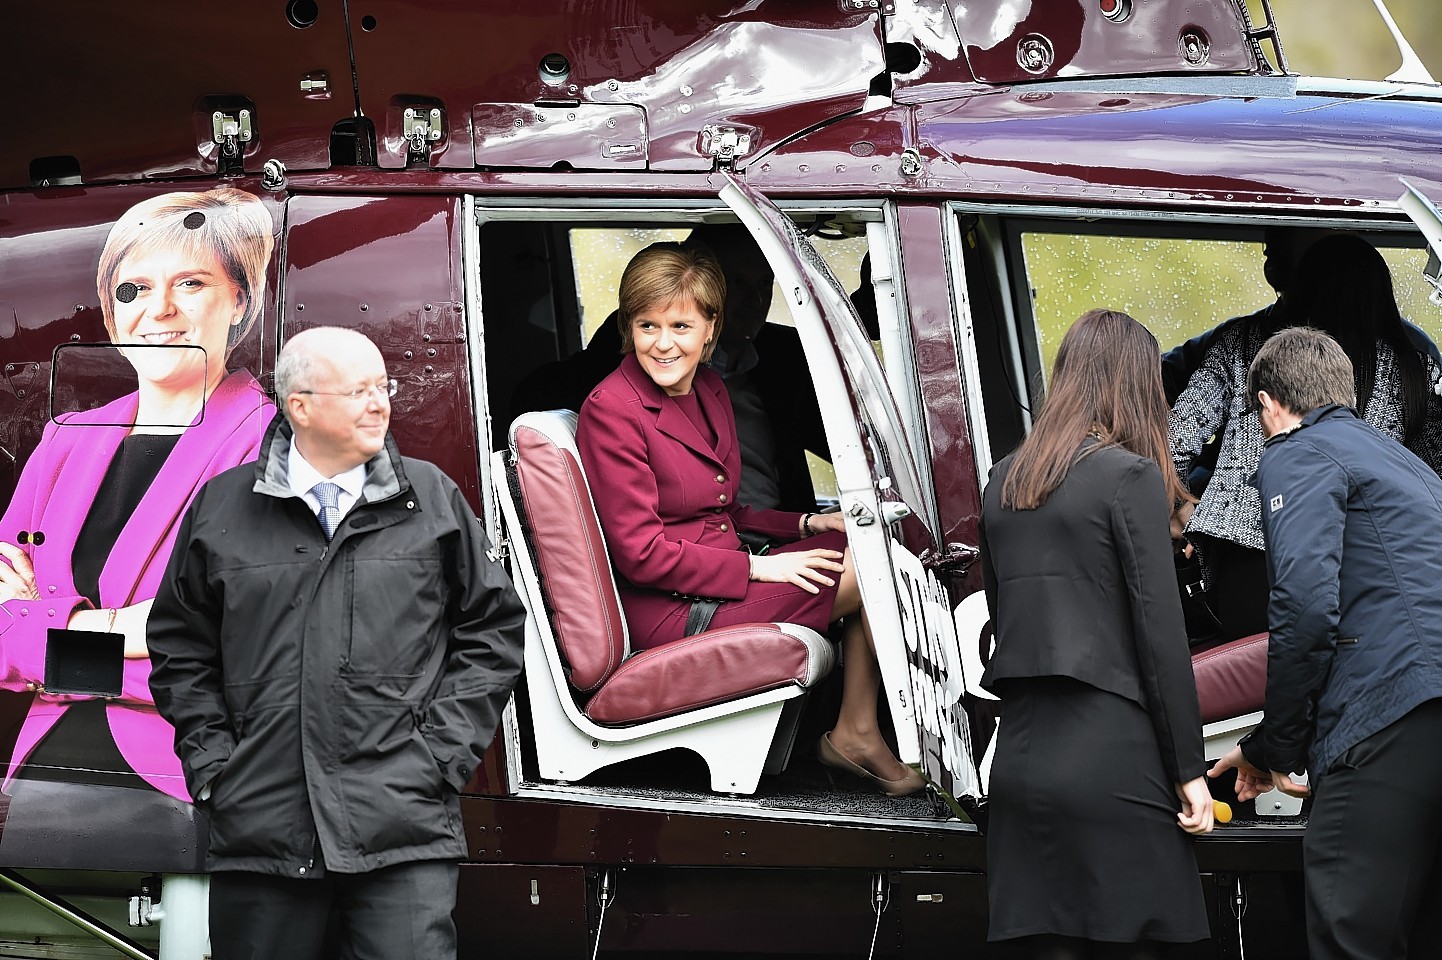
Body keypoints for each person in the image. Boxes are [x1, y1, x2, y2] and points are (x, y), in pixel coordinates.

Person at [146, 328, 526, 959]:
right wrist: (216, 769)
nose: (381, 404)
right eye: (359, 391)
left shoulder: (429, 499)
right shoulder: (222, 509)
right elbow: (180, 649)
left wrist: (439, 758)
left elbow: (491, 630)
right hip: (263, 830)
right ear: (300, 406)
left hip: (401, 826)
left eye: (384, 387)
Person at [577, 242, 923, 797]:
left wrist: (810, 525)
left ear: (710, 328)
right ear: (627, 327)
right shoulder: (611, 409)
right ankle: (855, 732)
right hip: (673, 607)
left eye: (681, 326)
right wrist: (760, 571)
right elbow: (640, 555)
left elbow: (727, 510)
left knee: (875, 547)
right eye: (647, 326)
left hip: (721, 577)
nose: (664, 344)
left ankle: (855, 728)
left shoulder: (710, 389)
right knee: (868, 574)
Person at [0, 187, 276, 869]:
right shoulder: (66, 439)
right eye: (133, 290)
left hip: (192, 787)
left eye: (191, 283)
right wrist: (130, 633)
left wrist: (49, 632)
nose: (159, 311)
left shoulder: (274, 445)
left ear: (239, 301)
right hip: (43, 778)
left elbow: (243, 653)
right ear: (110, 310)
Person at [979, 310, 1213, 959]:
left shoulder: (1005, 478)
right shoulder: (1129, 478)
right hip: (1113, 758)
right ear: (1138, 384)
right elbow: (1159, 637)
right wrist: (1189, 770)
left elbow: (1003, 615)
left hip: (1020, 764)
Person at [1209, 327, 1442, 960]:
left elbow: (1306, 608)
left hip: (1391, 713)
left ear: (1267, 405)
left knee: (1350, 938)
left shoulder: (1298, 452)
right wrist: (1261, 749)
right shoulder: (1401, 463)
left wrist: (1280, 747)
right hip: (1425, 713)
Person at [1168, 233, 1442, 641]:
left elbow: (1175, 439)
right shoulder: (1411, 366)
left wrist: (1185, 508)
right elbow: (1429, 479)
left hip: (1247, 564)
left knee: (1262, 684)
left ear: (1301, 286)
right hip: (1360, 564)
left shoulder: (1243, 344)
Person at [512, 224, 830, 512]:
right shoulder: (621, 380)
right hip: (707, 556)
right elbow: (643, 546)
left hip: (771, 533)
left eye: (764, 282)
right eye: (736, 282)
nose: (756, 300)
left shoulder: (778, 358)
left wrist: (804, 526)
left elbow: (850, 444)